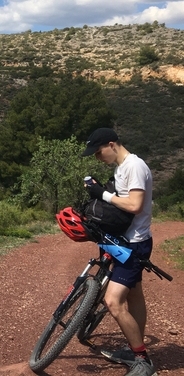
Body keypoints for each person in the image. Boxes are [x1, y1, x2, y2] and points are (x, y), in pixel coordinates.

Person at [81, 128, 156, 376]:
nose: (97, 158)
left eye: (98, 152)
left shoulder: (134, 166)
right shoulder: (121, 167)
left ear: (111, 144)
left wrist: (101, 194)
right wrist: (101, 189)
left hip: (134, 244)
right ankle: (134, 347)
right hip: (126, 241)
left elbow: (134, 205)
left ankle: (142, 361)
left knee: (113, 301)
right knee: (134, 295)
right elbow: (120, 200)